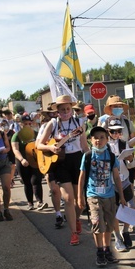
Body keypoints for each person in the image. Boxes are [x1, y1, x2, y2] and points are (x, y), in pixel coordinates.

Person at [36, 95, 88, 245]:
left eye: (68, 109)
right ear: (57, 111)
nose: (66, 111)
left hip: (77, 160)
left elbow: (84, 146)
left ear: (72, 109)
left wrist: (92, 158)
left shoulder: (79, 123)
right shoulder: (52, 124)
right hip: (61, 162)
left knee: (80, 200)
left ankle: (77, 219)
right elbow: (39, 144)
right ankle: (73, 233)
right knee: (68, 198)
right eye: (62, 109)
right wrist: (50, 147)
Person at [78, 126, 126, 266]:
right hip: (93, 195)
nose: (98, 140)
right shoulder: (87, 156)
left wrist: (121, 196)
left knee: (109, 225)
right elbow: (82, 176)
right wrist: (79, 196)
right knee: (97, 223)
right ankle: (99, 252)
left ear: (107, 139)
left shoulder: (110, 156)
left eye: (102, 137)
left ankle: (107, 250)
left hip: (109, 196)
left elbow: (116, 177)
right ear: (91, 140)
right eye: (95, 137)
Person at [101, 95, 135, 231]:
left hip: (125, 159)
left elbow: (133, 138)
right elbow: (99, 140)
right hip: (110, 164)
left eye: (119, 106)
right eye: (114, 106)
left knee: (130, 192)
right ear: (109, 108)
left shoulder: (127, 122)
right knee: (114, 198)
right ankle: (115, 227)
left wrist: (127, 144)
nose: (118, 108)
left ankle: (129, 225)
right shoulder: (104, 122)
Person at [107, 119, 135, 251]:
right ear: (108, 132)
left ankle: (125, 231)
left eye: (119, 131)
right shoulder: (105, 146)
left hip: (124, 179)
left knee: (130, 206)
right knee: (114, 210)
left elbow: (132, 165)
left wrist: (130, 159)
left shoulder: (125, 144)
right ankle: (117, 237)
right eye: (113, 131)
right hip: (110, 182)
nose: (116, 133)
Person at [11, 115, 48, 211]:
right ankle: (30, 202)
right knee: (27, 182)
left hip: (35, 160)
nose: (27, 125)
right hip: (23, 162)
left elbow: (41, 145)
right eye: (25, 124)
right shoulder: (17, 136)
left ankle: (40, 202)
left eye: (29, 123)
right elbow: (15, 149)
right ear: (21, 124)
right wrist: (22, 159)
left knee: (36, 180)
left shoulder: (36, 134)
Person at [36, 103, 64, 227]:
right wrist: (50, 147)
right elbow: (38, 145)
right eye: (51, 113)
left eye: (55, 112)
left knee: (66, 190)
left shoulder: (67, 125)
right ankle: (58, 214)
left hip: (63, 160)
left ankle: (70, 212)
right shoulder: (44, 127)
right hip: (49, 160)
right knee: (54, 189)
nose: (54, 115)